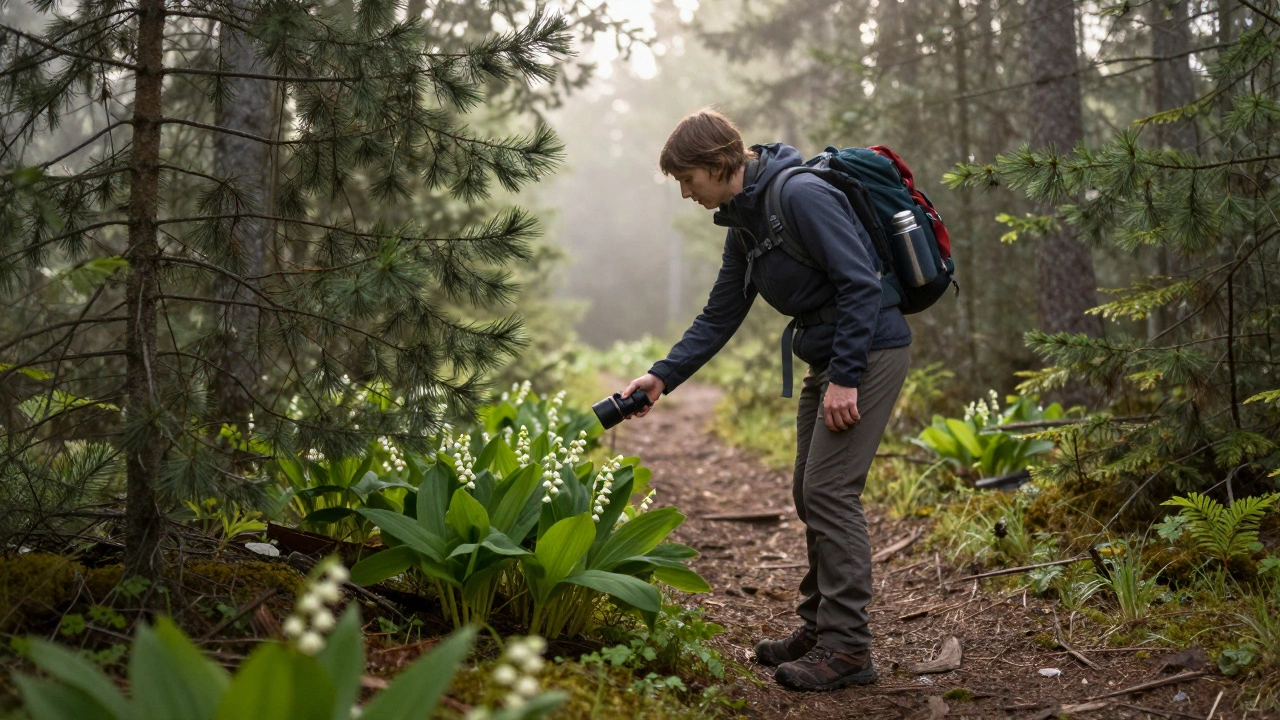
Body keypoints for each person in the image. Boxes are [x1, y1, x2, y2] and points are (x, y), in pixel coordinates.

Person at [619, 108, 912, 692]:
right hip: (831, 356)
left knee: (830, 491)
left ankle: (850, 648)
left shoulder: (799, 194)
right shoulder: (745, 222)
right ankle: (819, 627)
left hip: (868, 352)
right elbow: (721, 313)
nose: (685, 193)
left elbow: (860, 282)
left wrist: (847, 378)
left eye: (687, 179)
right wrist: (661, 376)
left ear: (715, 163)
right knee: (810, 490)